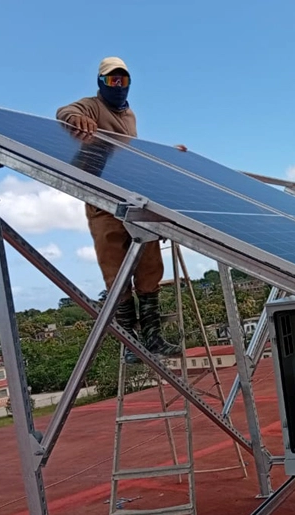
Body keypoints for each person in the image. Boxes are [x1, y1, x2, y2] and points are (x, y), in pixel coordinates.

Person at [56, 56, 181, 360]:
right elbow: (65, 112)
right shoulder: (92, 106)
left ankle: (152, 338)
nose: (118, 86)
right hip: (102, 200)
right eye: (112, 80)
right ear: (101, 83)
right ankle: (130, 344)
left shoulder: (130, 116)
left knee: (150, 265)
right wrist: (78, 120)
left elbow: (132, 154)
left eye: (123, 80)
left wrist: (168, 156)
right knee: (116, 270)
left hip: (132, 197)